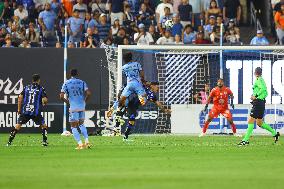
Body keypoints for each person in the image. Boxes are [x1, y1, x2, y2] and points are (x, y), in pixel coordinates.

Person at [238, 67, 280, 145]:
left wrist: (256, 96)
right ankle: (275, 133)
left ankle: (245, 140)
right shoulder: (262, 80)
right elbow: (266, 92)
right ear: (261, 73)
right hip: (261, 102)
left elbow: (263, 89)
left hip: (258, 102)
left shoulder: (258, 80)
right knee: (259, 123)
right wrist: (255, 96)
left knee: (250, 121)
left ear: (255, 73)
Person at [7, 74, 48, 146]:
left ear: (32, 80)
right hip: (35, 111)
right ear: (39, 80)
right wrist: (44, 103)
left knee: (18, 125)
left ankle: (9, 142)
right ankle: (44, 142)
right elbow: (45, 100)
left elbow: (20, 98)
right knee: (43, 125)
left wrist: (19, 109)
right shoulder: (41, 88)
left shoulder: (26, 87)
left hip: (26, 110)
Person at [60, 69, 91, 150]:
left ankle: (80, 144)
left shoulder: (66, 83)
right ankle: (87, 141)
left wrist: (68, 102)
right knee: (81, 124)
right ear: (77, 74)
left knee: (73, 126)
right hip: (82, 106)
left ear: (70, 74)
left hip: (73, 107)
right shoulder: (82, 82)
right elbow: (88, 93)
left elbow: (61, 96)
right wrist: (84, 101)